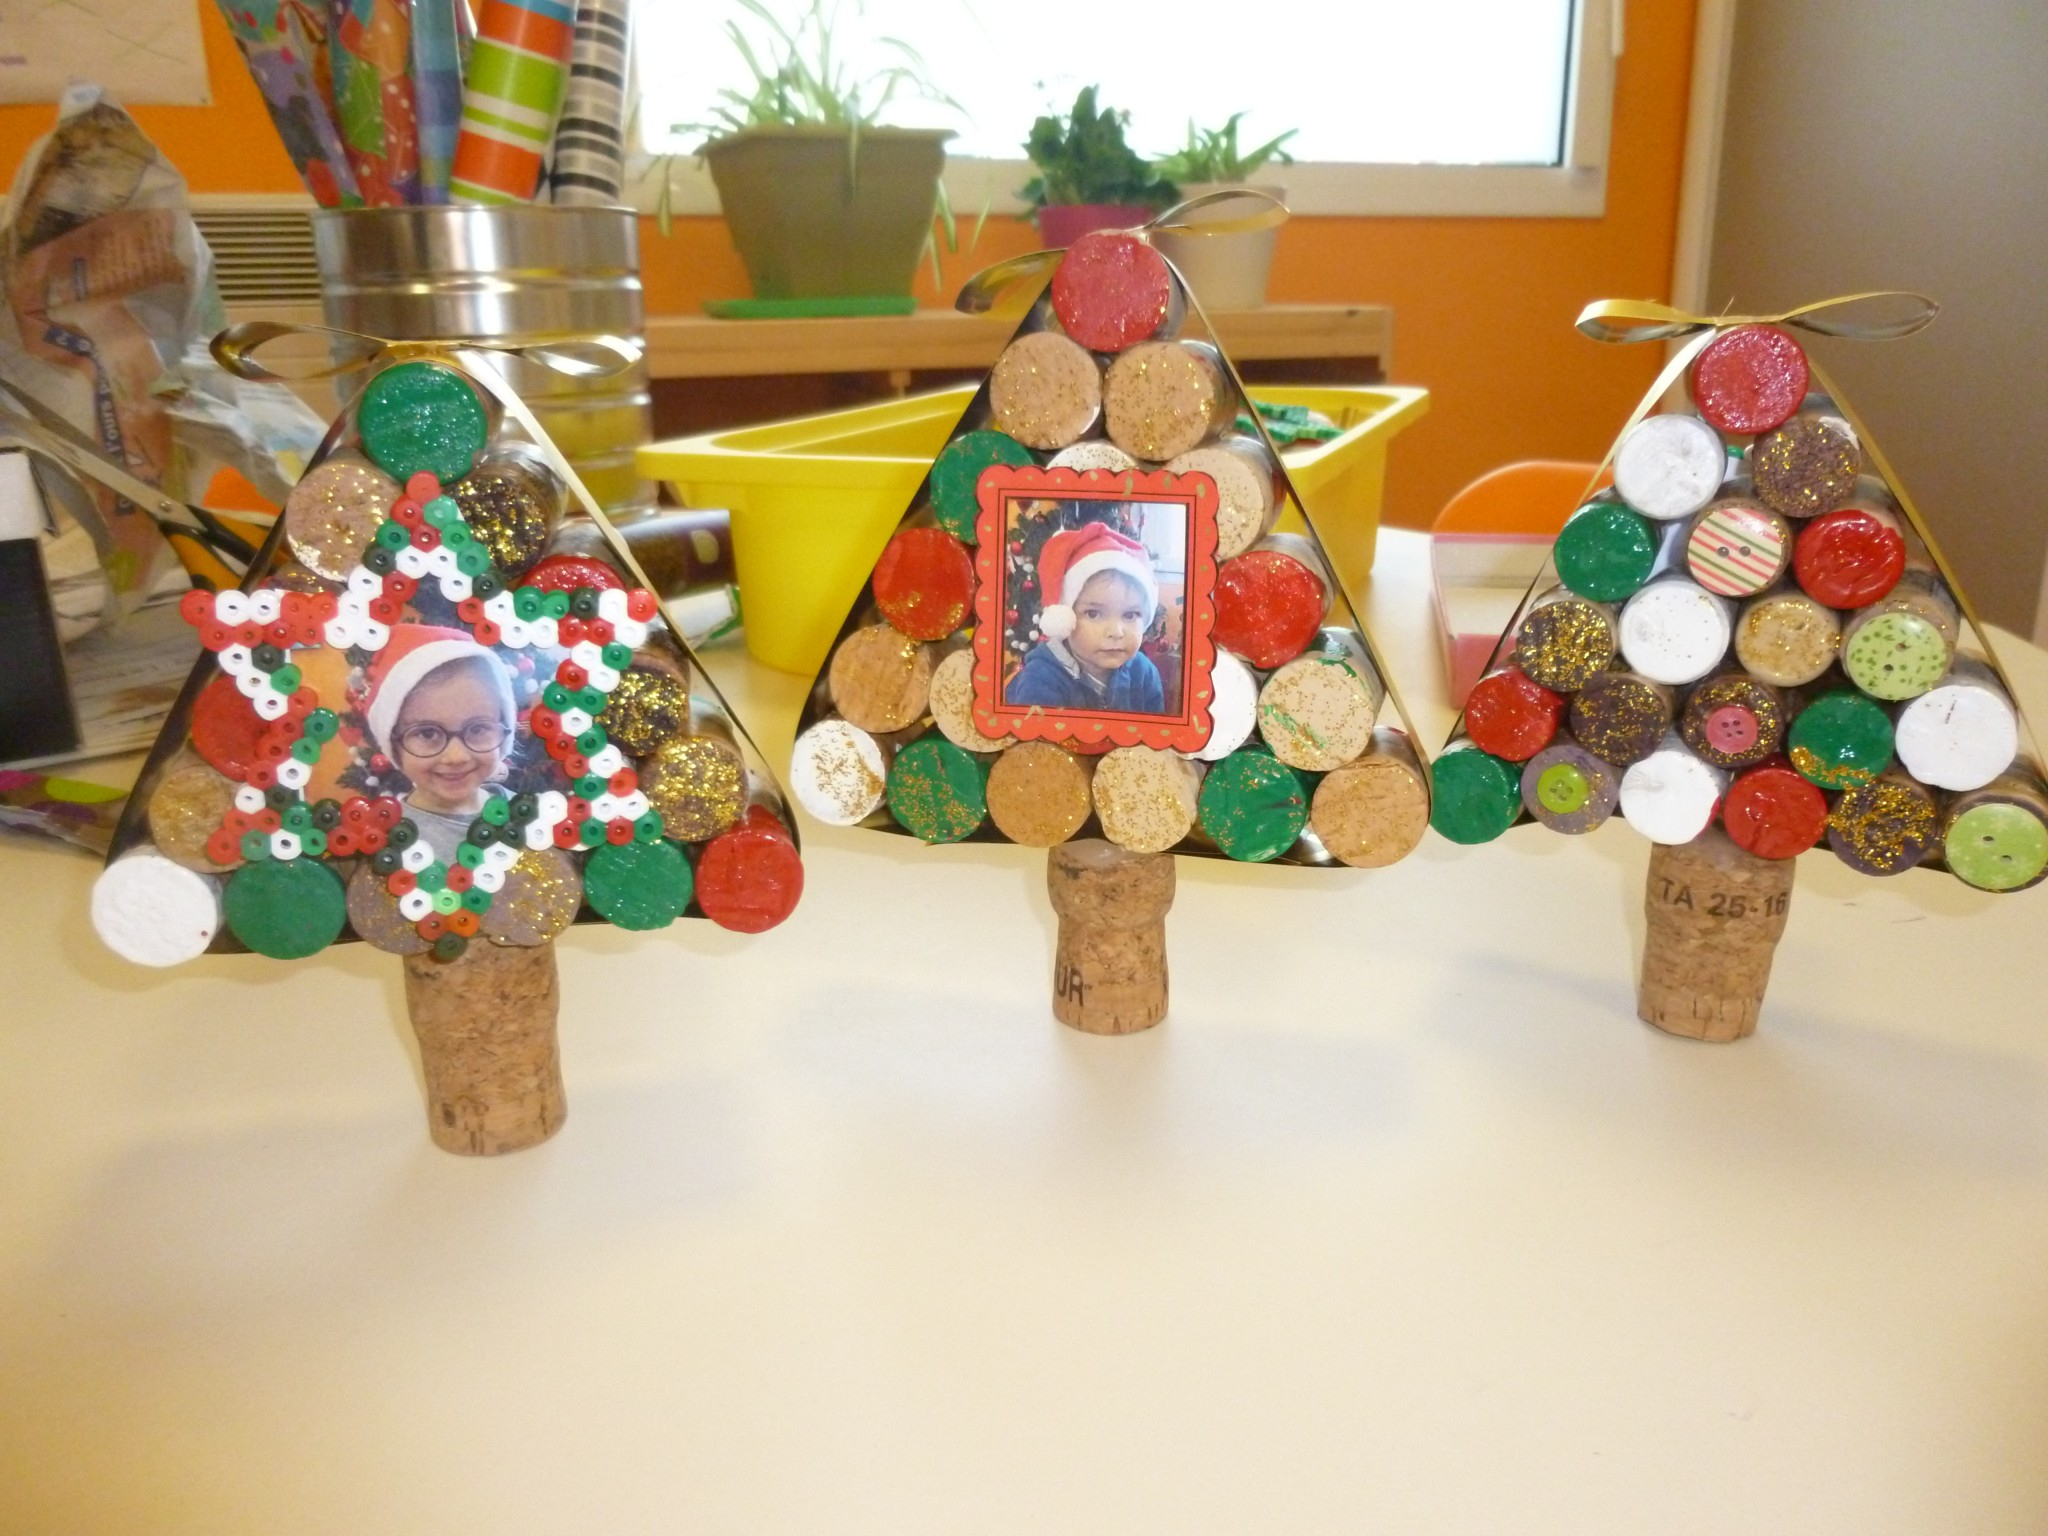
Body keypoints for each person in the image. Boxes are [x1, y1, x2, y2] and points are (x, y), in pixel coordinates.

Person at [365, 624, 518, 863]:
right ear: (393, 744)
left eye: (477, 729)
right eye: (427, 733)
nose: (456, 756)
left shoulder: (529, 819)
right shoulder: (384, 841)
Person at [1006, 521, 1167, 714]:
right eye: (1093, 613)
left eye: (1130, 615)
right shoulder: (1040, 680)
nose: (1116, 632)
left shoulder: (1145, 673)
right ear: (1066, 618)